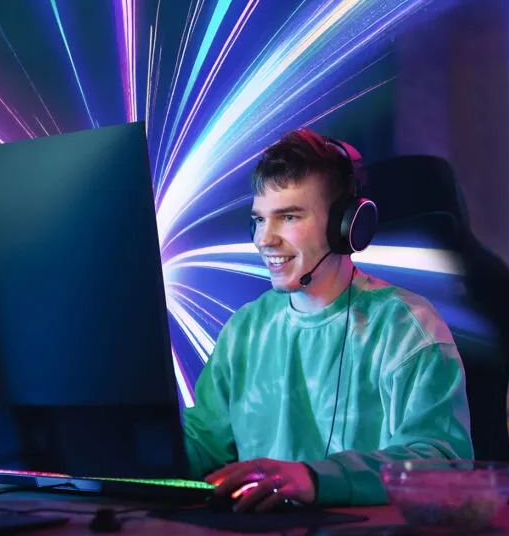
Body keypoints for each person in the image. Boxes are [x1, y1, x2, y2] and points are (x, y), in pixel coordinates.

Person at [183, 128, 473, 512]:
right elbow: (205, 440)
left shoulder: (405, 329)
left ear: (347, 226)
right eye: (258, 219)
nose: (264, 239)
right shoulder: (246, 329)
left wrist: (316, 479)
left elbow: (444, 462)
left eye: (288, 217)